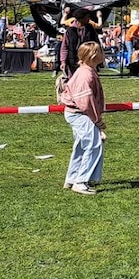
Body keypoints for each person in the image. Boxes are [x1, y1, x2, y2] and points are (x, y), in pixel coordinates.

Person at [59, 41, 107, 195]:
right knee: (93, 145)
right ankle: (80, 181)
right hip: (80, 114)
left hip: (78, 113)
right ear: (93, 56)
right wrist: (97, 121)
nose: (103, 53)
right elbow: (85, 102)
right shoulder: (85, 74)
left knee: (82, 146)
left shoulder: (87, 71)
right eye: (100, 51)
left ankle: (72, 178)